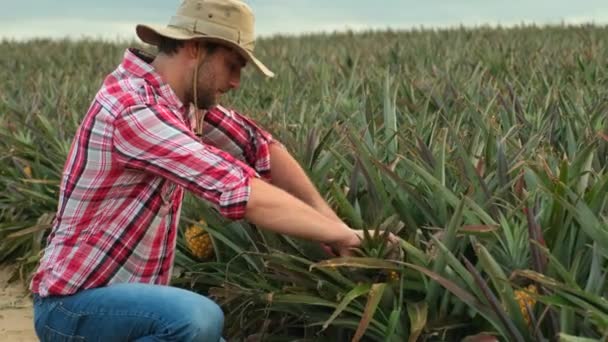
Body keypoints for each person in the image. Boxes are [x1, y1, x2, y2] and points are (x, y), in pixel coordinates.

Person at [30, 0, 397, 341]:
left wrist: (335, 228)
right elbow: (239, 190)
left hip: (128, 305)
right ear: (195, 48)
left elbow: (261, 146)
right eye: (232, 65)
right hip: (72, 304)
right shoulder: (134, 109)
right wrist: (349, 237)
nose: (236, 81)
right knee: (197, 318)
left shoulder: (180, 104)